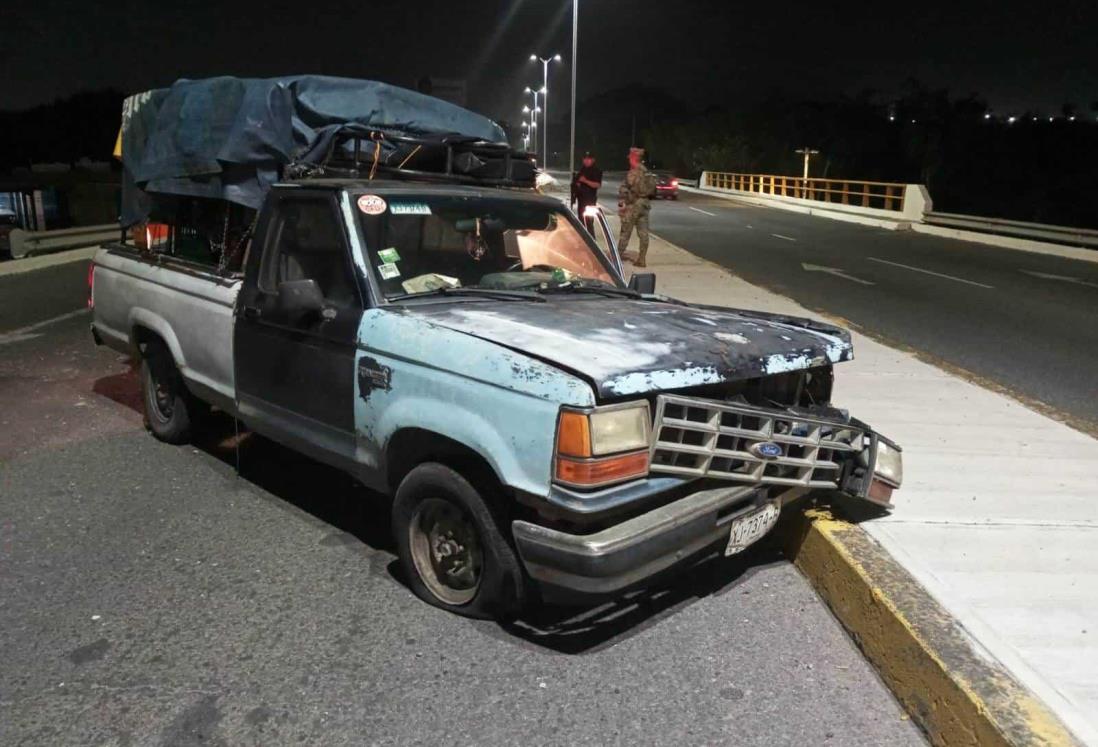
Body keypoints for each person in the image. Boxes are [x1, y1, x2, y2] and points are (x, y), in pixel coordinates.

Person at [617, 146, 655, 267]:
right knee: (643, 233)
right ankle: (642, 259)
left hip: (634, 204)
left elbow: (628, 188)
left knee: (625, 231)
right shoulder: (646, 171)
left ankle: (617, 256)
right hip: (645, 205)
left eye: (630, 156)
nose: (629, 159)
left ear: (634, 157)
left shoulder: (634, 172)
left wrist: (623, 201)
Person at [571, 151, 603, 231]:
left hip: (589, 200)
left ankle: (591, 240)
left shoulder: (596, 170)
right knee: (581, 222)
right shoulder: (583, 169)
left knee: (588, 222)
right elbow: (577, 181)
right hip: (581, 199)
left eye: (588, 159)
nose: (586, 160)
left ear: (593, 160)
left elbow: (597, 185)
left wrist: (585, 181)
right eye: (585, 159)